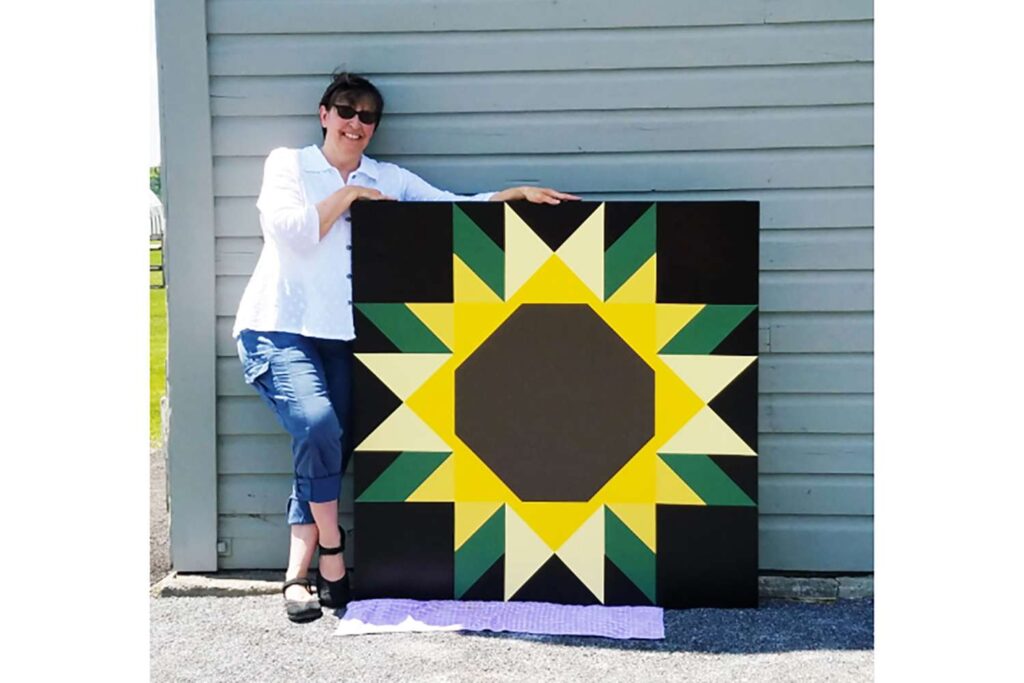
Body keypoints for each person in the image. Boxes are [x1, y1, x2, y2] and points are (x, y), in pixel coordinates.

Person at [233, 72, 579, 623]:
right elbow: (292, 233)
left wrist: (508, 196)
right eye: (346, 110)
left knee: (326, 446)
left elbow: (445, 210)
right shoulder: (289, 165)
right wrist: (347, 194)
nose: (356, 123)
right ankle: (332, 556)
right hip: (279, 327)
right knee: (317, 424)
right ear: (324, 114)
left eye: (368, 116)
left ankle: (294, 579)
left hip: (343, 335)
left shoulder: (385, 176)